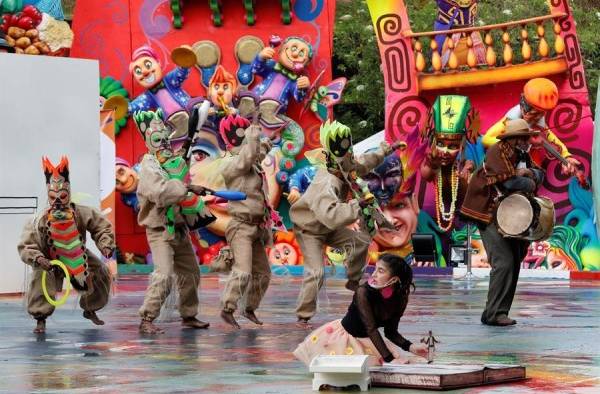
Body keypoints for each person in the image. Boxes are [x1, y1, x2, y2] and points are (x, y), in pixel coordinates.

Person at [290, 120, 394, 327]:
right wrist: (358, 205)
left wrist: (384, 150)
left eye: (349, 148)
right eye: (344, 150)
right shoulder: (326, 181)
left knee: (360, 242)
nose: (349, 155)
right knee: (316, 272)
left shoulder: (344, 165)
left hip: (327, 227)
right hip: (309, 229)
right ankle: (303, 314)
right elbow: (332, 216)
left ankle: (353, 280)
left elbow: (363, 163)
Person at [461, 119, 545, 326]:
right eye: (524, 138)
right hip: (489, 214)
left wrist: (530, 174)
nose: (527, 141)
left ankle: (497, 311)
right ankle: (493, 314)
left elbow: (538, 174)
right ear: (514, 139)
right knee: (504, 262)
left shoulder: (521, 155)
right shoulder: (497, 151)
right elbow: (509, 182)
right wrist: (527, 179)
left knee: (514, 261)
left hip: (508, 215)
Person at [18, 156, 115, 334]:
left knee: (100, 271)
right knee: (41, 278)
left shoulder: (81, 212)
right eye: (53, 197)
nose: (57, 201)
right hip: (49, 259)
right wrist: (38, 258)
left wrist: (105, 244)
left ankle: (90, 307)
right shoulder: (39, 219)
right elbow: (26, 244)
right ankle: (40, 318)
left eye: (62, 196)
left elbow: (101, 226)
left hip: (77, 256)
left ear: (68, 193)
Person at [134, 110, 211, 334]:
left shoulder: (170, 161)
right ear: (148, 141)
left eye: (166, 138)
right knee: (164, 274)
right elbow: (161, 192)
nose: (164, 143)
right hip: (159, 229)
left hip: (178, 227)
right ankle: (147, 318)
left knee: (191, 272)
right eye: (158, 139)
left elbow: (179, 175)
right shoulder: (149, 166)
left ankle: (188, 315)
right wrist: (187, 187)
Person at [294, 254, 428, 366]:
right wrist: (390, 359)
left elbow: (390, 332)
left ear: (394, 279)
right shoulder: (363, 293)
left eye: (380, 271)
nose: (373, 274)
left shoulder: (400, 298)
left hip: (368, 341)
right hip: (344, 340)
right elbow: (371, 328)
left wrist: (411, 347)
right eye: (375, 269)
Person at [218, 114, 274, 329]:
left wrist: (265, 141)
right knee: (242, 271)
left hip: (256, 227)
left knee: (263, 274)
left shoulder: (251, 163)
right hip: (240, 226)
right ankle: (227, 308)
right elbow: (249, 155)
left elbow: (255, 153)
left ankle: (249, 308)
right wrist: (254, 132)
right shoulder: (232, 164)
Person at [482, 78, 581, 176]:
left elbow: (553, 140)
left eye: (540, 113)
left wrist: (566, 157)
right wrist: (516, 142)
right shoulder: (509, 120)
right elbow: (486, 139)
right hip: (507, 167)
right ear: (523, 103)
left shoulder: (539, 126)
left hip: (528, 167)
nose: (536, 117)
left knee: (537, 175)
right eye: (533, 112)